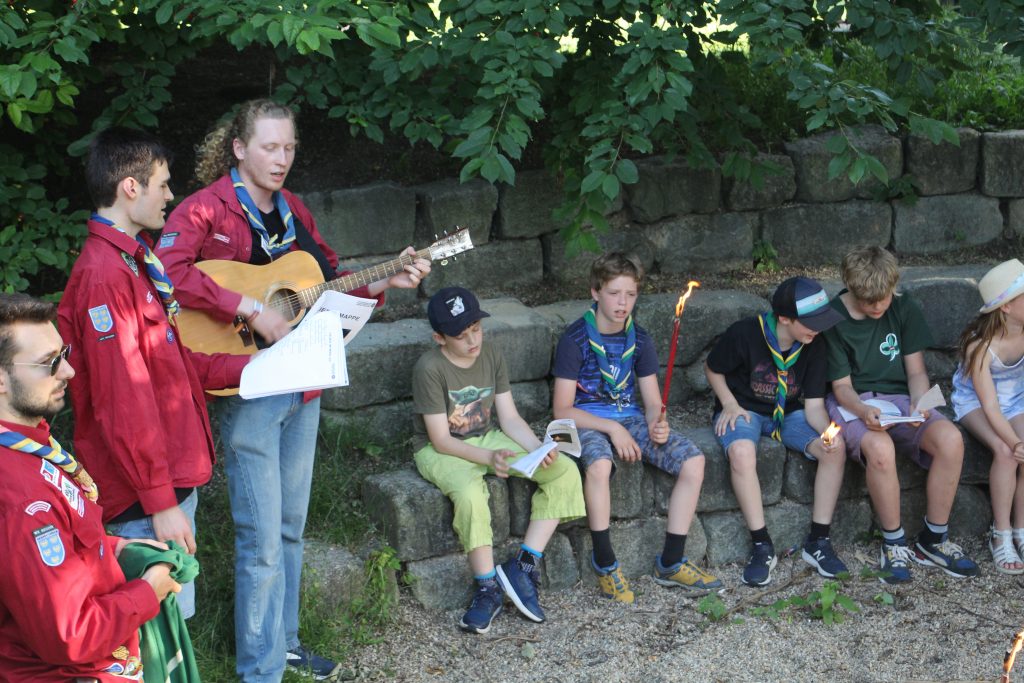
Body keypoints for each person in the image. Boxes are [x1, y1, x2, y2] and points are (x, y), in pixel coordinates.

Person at [157, 99, 430, 681]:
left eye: (289, 148)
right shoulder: (205, 209)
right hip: (250, 385)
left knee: (289, 528)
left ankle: (284, 643)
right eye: (269, 147)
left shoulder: (294, 209)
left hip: (303, 385)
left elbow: (327, 284)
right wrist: (248, 306)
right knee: (260, 537)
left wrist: (384, 279)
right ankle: (260, 671)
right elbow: (166, 273)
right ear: (239, 148)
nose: (281, 159)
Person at [57, 127, 249, 621]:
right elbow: (123, 400)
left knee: (173, 631)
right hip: (145, 500)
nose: (169, 196)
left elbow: (170, 366)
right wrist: (160, 501)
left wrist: (253, 367)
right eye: (162, 184)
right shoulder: (104, 276)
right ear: (130, 187)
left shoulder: (133, 260)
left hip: (167, 481)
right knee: (158, 636)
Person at [0, 292, 181, 681]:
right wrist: (147, 591)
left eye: (63, 354)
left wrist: (114, 548)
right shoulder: (22, 499)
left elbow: (51, 550)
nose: (68, 371)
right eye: (49, 363)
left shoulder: (26, 444)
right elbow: (70, 638)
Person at [412, 286, 586, 633]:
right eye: (460, 336)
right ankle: (487, 587)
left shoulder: (490, 354)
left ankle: (523, 566)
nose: (472, 340)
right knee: (470, 495)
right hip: (441, 450)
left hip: (488, 437)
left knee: (564, 470)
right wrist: (489, 458)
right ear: (439, 338)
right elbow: (441, 439)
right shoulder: (429, 368)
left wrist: (538, 448)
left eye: (476, 329)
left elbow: (509, 418)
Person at [552, 252, 722, 603]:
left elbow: (652, 402)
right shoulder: (575, 340)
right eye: (614, 293)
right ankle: (605, 563)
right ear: (595, 292)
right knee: (599, 465)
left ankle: (671, 562)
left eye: (630, 294)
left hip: (630, 418)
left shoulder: (640, 339)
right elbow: (562, 410)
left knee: (693, 461)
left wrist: (658, 423)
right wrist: (612, 430)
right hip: (586, 419)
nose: (622, 303)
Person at [823, 245, 978, 584]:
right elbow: (841, 387)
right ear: (850, 288)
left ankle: (933, 539)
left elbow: (916, 372)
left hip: (899, 400)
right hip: (854, 402)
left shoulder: (904, 307)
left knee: (951, 439)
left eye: (884, 299)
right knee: (880, 449)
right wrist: (863, 410)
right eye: (868, 302)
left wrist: (920, 403)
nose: (878, 307)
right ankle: (893, 543)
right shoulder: (833, 318)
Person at [705, 276, 849, 586]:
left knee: (835, 451)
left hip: (790, 414)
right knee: (742, 453)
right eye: (811, 322)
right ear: (784, 318)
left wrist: (828, 433)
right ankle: (762, 546)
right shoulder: (745, 333)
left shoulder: (814, 342)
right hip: (745, 410)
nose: (818, 329)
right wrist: (728, 403)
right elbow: (713, 368)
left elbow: (813, 406)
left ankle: (818, 541)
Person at [951, 259, 1024, 574]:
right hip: (977, 404)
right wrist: (1014, 441)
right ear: (1006, 307)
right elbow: (990, 406)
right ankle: (1001, 533)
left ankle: (1021, 529)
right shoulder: (980, 347)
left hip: (1016, 401)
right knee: (1007, 452)